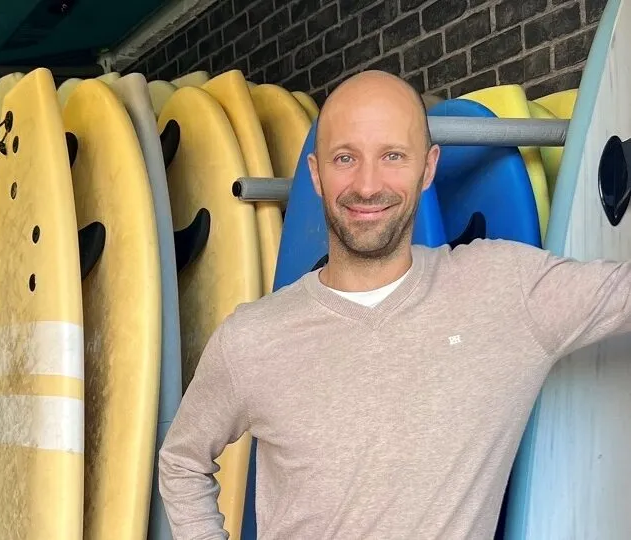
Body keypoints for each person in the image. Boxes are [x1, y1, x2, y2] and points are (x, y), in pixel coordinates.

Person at [156, 69, 631, 539]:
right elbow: (182, 461)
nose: (367, 185)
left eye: (392, 156)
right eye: (345, 158)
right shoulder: (251, 339)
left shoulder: (507, 290)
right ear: (316, 175)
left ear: (428, 167)